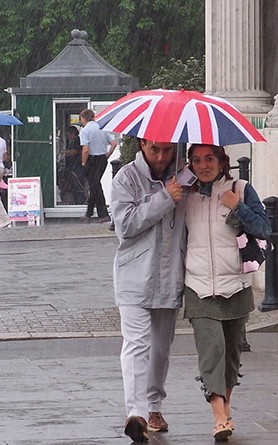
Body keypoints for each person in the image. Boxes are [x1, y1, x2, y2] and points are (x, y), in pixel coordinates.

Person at [183, 144, 270, 441]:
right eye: (196, 160)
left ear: (222, 162)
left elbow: (263, 228)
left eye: (209, 159)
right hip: (198, 286)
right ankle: (219, 414)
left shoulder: (240, 189)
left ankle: (225, 405)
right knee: (212, 350)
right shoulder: (185, 195)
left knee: (232, 355)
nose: (203, 165)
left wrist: (238, 207)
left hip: (235, 285)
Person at [110, 138, 188, 443]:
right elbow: (125, 225)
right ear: (143, 144)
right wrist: (165, 198)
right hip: (134, 275)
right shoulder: (126, 178)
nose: (161, 156)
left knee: (160, 347)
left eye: (167, 149)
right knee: (136, 344)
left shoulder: (184, 176)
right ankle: (136, 413)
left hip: (170, 275)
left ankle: (154, 406)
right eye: (155, 149)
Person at [79, 109, 117, 223]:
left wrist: (83, 162)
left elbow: (85, 150)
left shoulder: (85, 131)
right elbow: (114, 143)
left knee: (95, 186)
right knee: (94, 185)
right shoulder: (102, 128)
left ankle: (103, 214)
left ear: (84, 118)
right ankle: (89, 213)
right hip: (102, 159)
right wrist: (107, 155)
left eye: (81, 119)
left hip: (92, 159)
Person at [64, 125, 86, 205]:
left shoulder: (77, 140)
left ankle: (79, 200)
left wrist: (65, 151)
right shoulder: (70, 141)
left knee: (77, 184)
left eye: (68, 135)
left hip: (77, 165)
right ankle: (77, 200)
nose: (68, 137)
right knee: (74, 184)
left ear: (73, 133)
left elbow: (76, 151)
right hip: (73, 165)